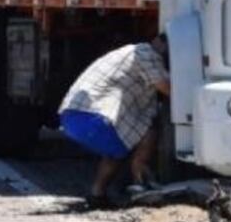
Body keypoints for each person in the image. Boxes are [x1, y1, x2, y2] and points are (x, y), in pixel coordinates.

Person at [59, 34, 171, 208]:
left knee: (117, 149)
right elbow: (167, 88)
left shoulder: (125, 53)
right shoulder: (145, 53)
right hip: (93, 117)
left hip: (71, 117)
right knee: (149, 130)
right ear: (163, 45)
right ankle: (140, 183)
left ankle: (97, 195)